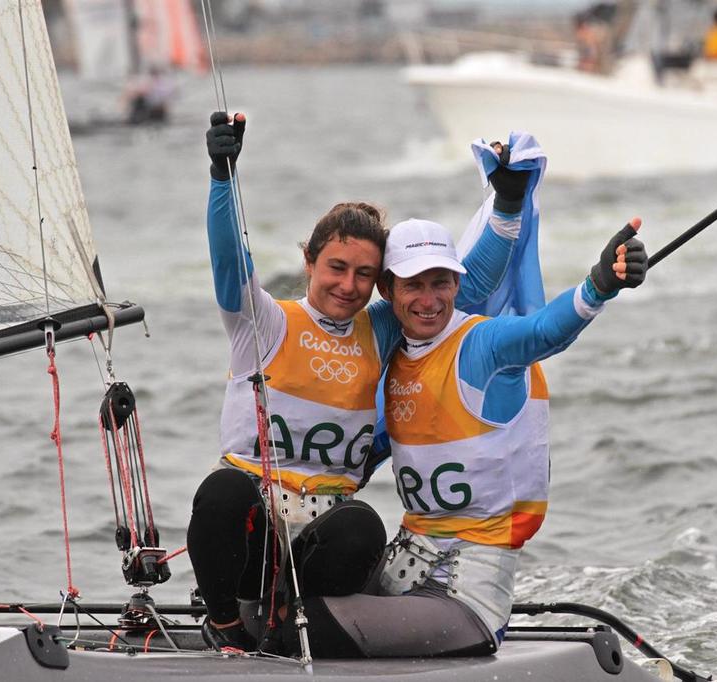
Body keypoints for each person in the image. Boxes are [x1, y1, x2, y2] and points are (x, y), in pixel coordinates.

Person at [187, 112, 534, 652]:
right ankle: (227, 627)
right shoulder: (264, 322)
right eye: (336, 267)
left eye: (364, 274)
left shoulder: (381, 327)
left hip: (322, 548)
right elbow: (230, 262)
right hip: (256, 536)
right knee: (222, 491)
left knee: (363, 527)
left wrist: (507, 204)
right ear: (309, 261)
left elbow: (462, 288)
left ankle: (290, 629)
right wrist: (222, 177)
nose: (348, 286)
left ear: (380, 283)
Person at [261, 209, 648, 658]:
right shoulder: (394, 358)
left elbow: (544, 331)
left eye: (441, 282)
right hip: (401, 571)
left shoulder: (483, 346)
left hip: (464, 599)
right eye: (414, 285)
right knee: (282, 601)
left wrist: (599, 286)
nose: (429, 300)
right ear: (387, 291)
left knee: (302, 628)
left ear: (457, 285)